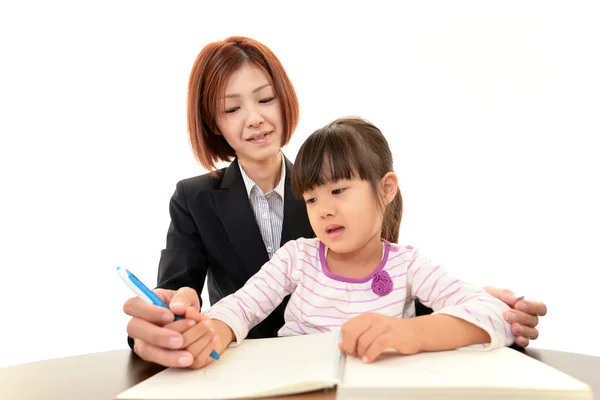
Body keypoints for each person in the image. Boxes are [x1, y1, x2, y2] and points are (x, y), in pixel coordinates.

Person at [122, 36, 547, 369]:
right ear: (214, 123)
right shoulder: (197, 200)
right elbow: (210, 301)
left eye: (265, 99)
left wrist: (472, 307)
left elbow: (386, 285)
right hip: (251, 371)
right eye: (231, 108)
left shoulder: (329, 167)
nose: (253, 117)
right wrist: (181, 325)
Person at [172, 116, 516, 369]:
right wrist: (214, 329)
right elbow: (240, 306)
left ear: (385, 189)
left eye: (338, 191)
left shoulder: (407, 265)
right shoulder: (297, 258)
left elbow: (495, 313)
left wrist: (410, 333)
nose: (324, 211)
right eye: (311, 199)